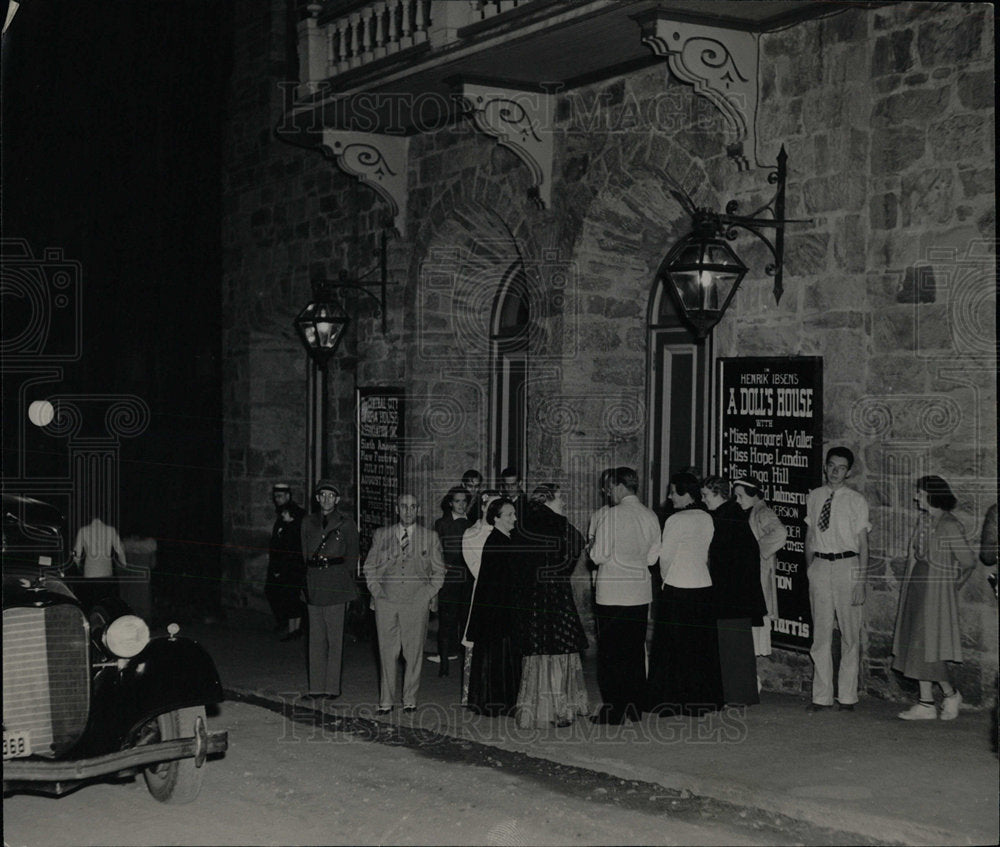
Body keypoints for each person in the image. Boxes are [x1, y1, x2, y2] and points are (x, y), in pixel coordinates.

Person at [892, 476, 976, 720]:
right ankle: (926, 703)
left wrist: (952, 587)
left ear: (931, 495)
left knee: (928, 646)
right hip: (917, 587)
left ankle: (950, 695)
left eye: (919, 493)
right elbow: (917, 555)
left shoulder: (950, 524)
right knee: (917, 645)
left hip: (935, 593)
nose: (916, 497)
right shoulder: (924, 520)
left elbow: (968, 562)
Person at [647, 471, 723, 716]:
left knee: (672, 647)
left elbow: (665, 556)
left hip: (678, 586)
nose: (670, 497)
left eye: (672, 492)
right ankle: (699, 701)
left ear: (685, 493)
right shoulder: (707, 518)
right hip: (702, 585)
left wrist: (665, 580)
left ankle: (670, 701)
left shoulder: (675, 520)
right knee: (698, 647)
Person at [589, 467, 660, 724]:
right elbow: (653, 556)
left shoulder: (612, 515)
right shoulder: (650, 514)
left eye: (610, 487)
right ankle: (634, 706)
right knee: (633, 651)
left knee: (611, 654)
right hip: (639, 593)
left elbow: (599, 555)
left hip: (613, 593)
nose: (608, 492)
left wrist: (591, 548)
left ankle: (614, 710)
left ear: (619, 487)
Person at [514, 485, 589, 728]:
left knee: (537, 648)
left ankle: (534, 708)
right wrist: (562, 573)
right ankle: (561, 709)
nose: (563, 502)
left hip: (532, 593)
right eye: (560, 498)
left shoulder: (523, 525)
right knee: (559, 646)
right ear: (546, 500)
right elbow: (578, 545)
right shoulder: (562, 525)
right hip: (556, 592)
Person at [364, 493, 445, 713]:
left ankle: (409, 699)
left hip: (416, 601)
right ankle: (386, 701)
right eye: (403, 506)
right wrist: (377, 591)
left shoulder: (430, 537)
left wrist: (427, 594)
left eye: (412, 507)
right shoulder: (382, 535)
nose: (408, 511)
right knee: (387, 652)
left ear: (418, 510)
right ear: (397, 509)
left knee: (413, 652)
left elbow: (439, 571)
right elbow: (369, 567)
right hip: (386, 601)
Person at [804, 446, 871, 712]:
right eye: (831, 465)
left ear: (849, 471)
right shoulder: (815, 496)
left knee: (849, 633)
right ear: (825, 466)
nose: (835, 471)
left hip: (847, 565)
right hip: (821, 565)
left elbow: (864, 545)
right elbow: (810, 537)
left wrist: (860, 581)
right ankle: (820, 696)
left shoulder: (856, 501)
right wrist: (811, 569)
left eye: (841, 467)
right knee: (820, 633)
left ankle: (847, 696)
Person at [702, 476, 767, 707]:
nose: (703, 500)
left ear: (718, 493)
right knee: (734, 644)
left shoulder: (726, 517)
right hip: (736, 591)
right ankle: (738, 694)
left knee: (733, 645)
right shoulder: (730, 514)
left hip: (731, 592)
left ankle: (737, 695)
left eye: (706, 495)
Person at [300, 480, 359, 700]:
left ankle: (332, 687)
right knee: (315, 638)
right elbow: (304, 554)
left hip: (336, 584)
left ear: (337, 499)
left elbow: (352, 557)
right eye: (322, 495)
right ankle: (316, 687)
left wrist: (346, 583)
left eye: (331, 496)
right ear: (317, 499)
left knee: (335, 639)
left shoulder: (346, 523)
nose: (326, 499)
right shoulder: (307, 522)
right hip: (314, 583)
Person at [465, 498, 523, 717]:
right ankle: (497, 702)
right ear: (496, 518)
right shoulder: (497, 542)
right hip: (497, 614)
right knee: (498, 657)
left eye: (514, 514)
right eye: (509, 515)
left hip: (502, 612)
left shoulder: (507, 539)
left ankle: (502, 701)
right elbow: (499, 584)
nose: (514, 519)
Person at [733, 478, 788, 660]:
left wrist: (754, 549)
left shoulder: (763, 512)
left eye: (740, 496)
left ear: (753, 494)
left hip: (758, 577)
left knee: (755, 633)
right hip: (750, 578)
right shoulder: (752, 512)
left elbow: (780, 533)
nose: (738, 500)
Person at [460, 488, 502, 704]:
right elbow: (478, 569)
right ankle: (477, 694)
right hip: (485, 593)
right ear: (483, 507)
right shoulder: (471, 534)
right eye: (491, 505)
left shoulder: (506, 531)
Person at [432, 486, 471, 676]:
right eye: (457, 501)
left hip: (467, 577)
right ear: (450, 503)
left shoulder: (472, 524)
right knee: (447, 620)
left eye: (464, 501)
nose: (461, 505)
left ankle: (466, 664)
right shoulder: (442, 524)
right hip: (449, 577)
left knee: (465, 620)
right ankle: (444, 662)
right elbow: (435, 550)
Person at [265, 483, 306, 641]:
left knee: (291, 595)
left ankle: (294, 629)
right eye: (275, 497)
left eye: (280, 496)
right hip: (282, 563)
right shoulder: (282, 514)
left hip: (291, 564)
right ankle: (289, 625)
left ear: (288, 496)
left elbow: (292, 541)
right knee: (279, 593)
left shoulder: (295, 515)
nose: (277, 500)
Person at [71, 514, 127, 609]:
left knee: (91, 603)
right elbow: (120, 550)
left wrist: (76, 567)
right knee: (106, 604)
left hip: (89, 573)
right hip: (106, 573)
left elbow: (77, 554)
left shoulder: (83, 531)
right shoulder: (111, 530)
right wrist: (124, 563)